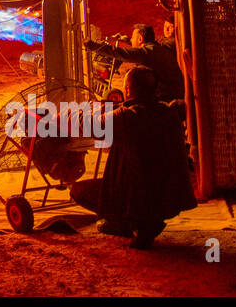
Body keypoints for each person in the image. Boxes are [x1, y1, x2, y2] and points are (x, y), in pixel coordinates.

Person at [69, 66, 197, 249]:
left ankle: (129, 223)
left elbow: (89, 126)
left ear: (127, 90)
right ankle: (145, 221)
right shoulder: (169, 114)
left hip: (138, 196)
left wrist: (79, 113)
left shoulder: (127, 117)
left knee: (77, 191)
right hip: (171, 196)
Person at [86, 23, 185, 104]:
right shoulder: (155, 48)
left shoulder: (147, 53)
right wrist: (125, 40)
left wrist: (92, 45)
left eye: (133, 38)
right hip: (175, 94)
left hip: (167, 98)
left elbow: (119, 52)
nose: (131, 40)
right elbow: (135, 47)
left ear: (140, 39)